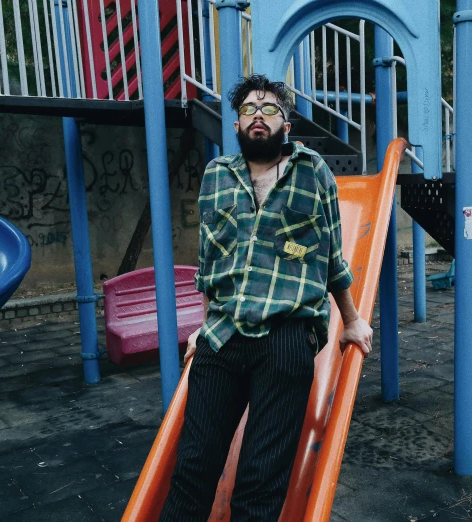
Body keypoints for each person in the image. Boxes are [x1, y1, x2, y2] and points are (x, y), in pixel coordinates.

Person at [160, 74, 373, 521]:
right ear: (237, 125)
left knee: (260, 479)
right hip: (224, 333)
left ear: (286, 125)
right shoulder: (217, 176)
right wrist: (203, 323)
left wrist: (351, 319)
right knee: (193, 468)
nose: (259, 115)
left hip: (286, 334)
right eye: (250, 110)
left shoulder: (311, 171)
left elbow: (331, 254)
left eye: (271, 109)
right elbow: (209, 264)